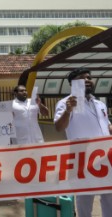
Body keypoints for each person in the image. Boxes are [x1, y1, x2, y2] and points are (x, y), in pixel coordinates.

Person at [54, 68, 112, 217]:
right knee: (85, 198)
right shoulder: (65, 103)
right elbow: (59, 127)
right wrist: (68, 111)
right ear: (73, 84)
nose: (87, 80)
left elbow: (106, 125)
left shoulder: (100, 103)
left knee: (109, 196)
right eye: (82, 78)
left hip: (105, 157)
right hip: (82, 158)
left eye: (89, 77)